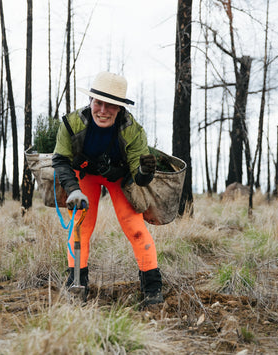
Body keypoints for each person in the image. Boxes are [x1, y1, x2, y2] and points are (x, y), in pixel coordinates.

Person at [51, 71, 163, 306]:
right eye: (98, 102)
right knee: (80, 226)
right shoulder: (71, 124)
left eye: (110, 105)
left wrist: (145, 171)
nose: (103, 110)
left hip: (118, 178)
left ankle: (152, 291)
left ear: (120, 108)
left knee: (135, 228)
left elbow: (137, 176)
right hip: (84, 176)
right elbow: (60, 160)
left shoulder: (133, 131)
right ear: (90, 101)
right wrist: (73, 190)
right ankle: (77, 287)